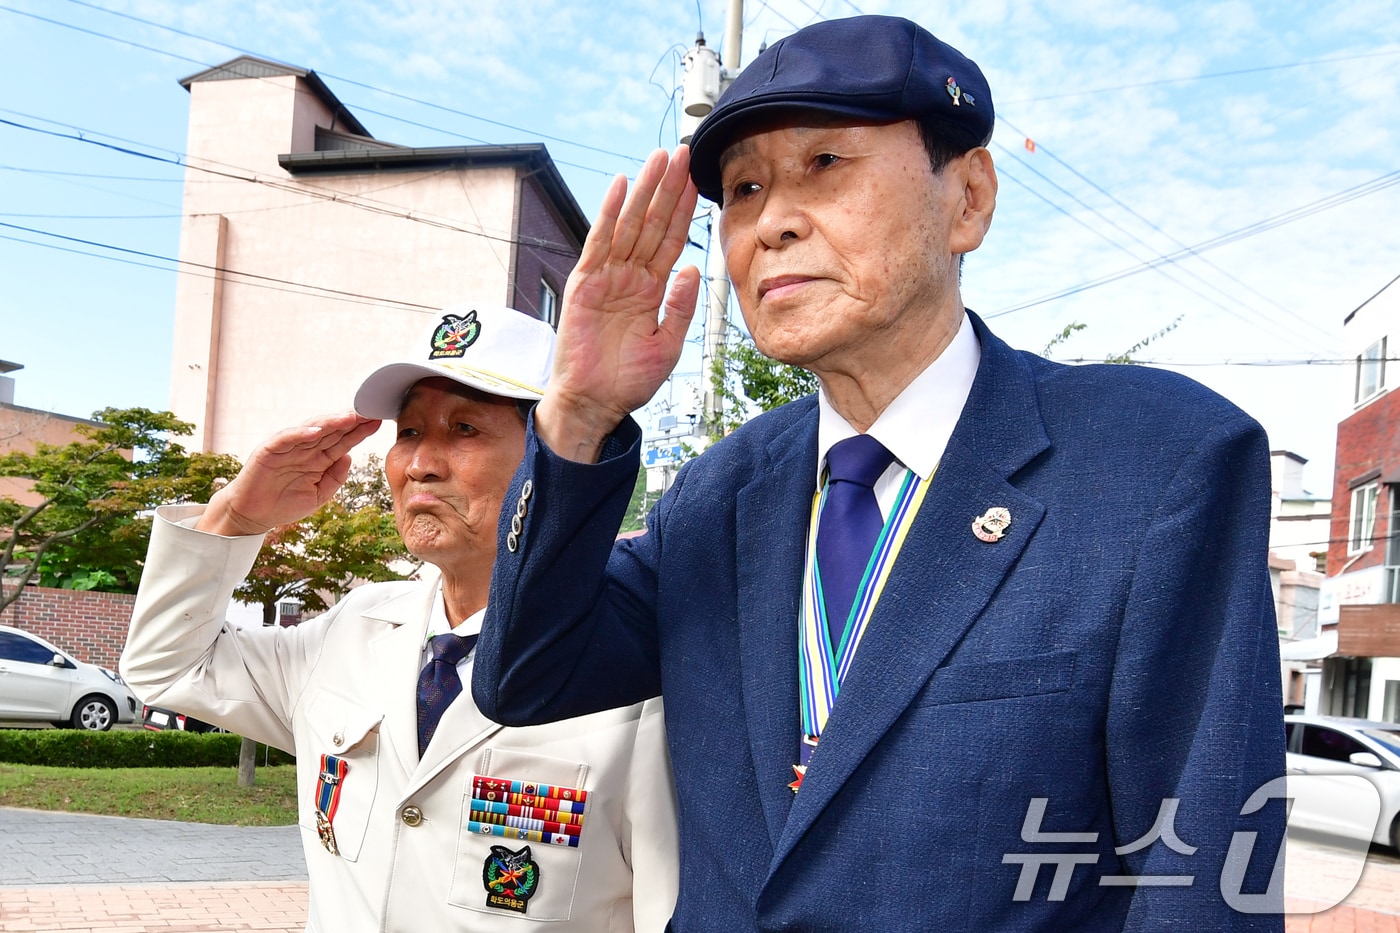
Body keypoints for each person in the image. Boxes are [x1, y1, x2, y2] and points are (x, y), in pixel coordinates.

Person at [472, 15, 1285, 932]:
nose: (772, 220)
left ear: (968, 197)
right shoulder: (718, 496)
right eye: (742, 188)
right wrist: (577, 414)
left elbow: (1202, 881)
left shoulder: (1153, 466)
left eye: (825, 163)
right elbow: (524, 677)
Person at [121, 305, 678, 933]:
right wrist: (236, 518)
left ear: (557, 459)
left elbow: (670, 910)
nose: (420, 464)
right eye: (410, 432)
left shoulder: (631, 672)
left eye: (464, 429)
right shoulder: (353, 628)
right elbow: (166, 667)